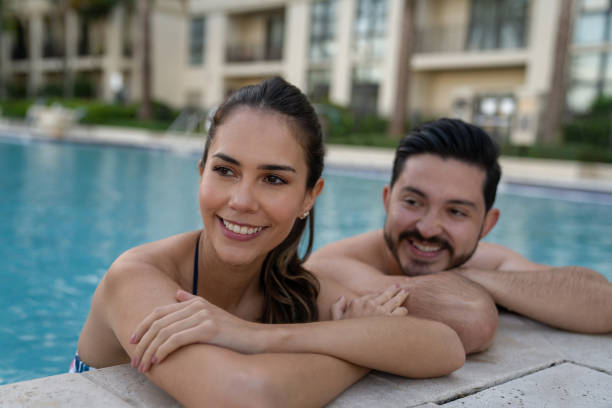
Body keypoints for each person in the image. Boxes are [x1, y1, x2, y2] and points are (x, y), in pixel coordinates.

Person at [74, 79, 465, 407]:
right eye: (225, 170)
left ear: (309, 196)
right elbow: (241, 394)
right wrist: (361, 349)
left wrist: (254, 336)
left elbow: (444, 347)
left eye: (273, 179)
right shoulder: (137, 277)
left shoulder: (289, 284)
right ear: (201, 173)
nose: (241, 200)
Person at [307, 118, 612, 355]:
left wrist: (476, 277)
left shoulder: (474, 261)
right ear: (387, 200)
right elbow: (467, 318)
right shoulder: (334, 263)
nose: (427, 229)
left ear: (486, 225)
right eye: (413, 202)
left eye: (456, 212)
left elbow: (603, 301)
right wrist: (487, 281)